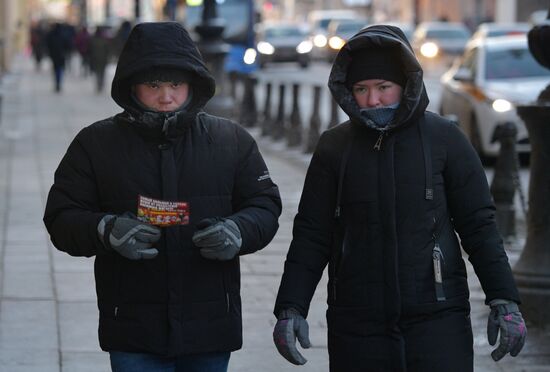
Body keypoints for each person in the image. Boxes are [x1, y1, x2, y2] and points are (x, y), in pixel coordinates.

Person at [272, 24, 526, 372]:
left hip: (438, 317)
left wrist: (504, 298)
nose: (372, 100)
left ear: (405, 85)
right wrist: (291, 306)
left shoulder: (445, 140)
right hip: (357, 320)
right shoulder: (335, 147)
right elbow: (312, 233)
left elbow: (479, 227)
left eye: (383, 87)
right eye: (361, 89)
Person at [43, 22, 281, 372]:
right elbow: (61, 215)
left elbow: (265, 204)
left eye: (176, 84)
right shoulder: (95, 144)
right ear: (132, 85)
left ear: (193, 85)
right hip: (132, 325)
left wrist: (239, 230)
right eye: (153, 85)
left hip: (210, 324)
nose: (166, 96)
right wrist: (105, 230)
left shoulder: (231, 141)